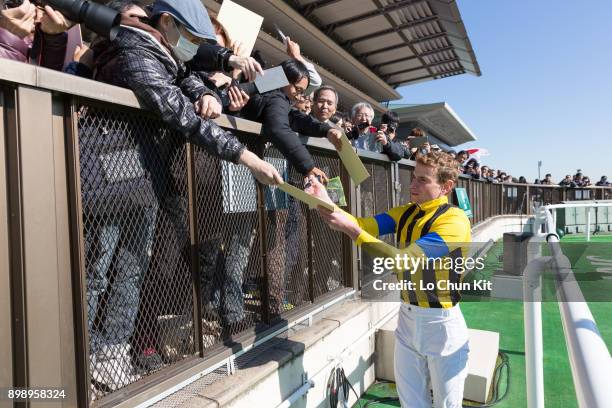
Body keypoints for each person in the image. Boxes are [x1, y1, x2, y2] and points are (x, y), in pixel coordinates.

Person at [307, 151, 471, 407]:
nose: (413, 185)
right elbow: (362, 223)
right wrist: (325, 199)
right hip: (407, 316)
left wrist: (351, 228)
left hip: (442, 323)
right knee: (411, 403)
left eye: (423, 180)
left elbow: (402, 260)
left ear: (446, 186)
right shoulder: (406, 212)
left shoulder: (455, 221)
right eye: (414, 177)